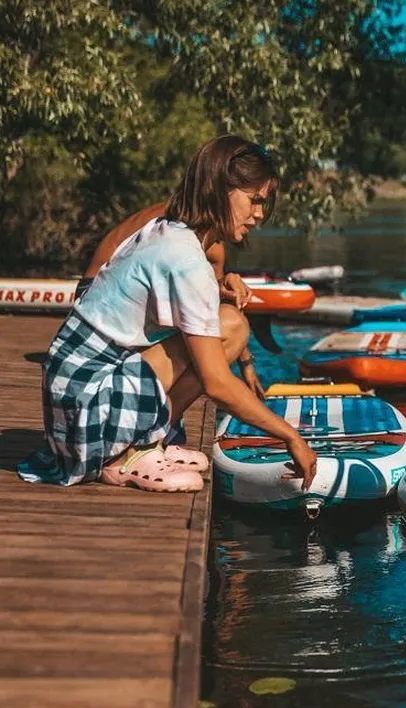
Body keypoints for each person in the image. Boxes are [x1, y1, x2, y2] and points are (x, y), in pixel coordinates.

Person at [18, 135, 317, 492]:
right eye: (254, 200)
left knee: (232, 325)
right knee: (226, 334)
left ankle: (144, 444)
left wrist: (215, 290)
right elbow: (216, 384)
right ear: (220, 189)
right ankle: (126, 454)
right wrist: (290, 436)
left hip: (73, 405)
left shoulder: (170, 231)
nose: (259, 215)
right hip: (85, 414)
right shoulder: (185, 257)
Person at [78, 201, 265, 399]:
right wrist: (243, 363)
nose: (256, 217)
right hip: (103, 298)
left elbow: (213, 293)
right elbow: (217, 308)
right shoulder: (193, 232)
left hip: (91, 294)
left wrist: (245, 361)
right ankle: (165, 416)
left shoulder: (176, 208)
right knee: (216, 331)